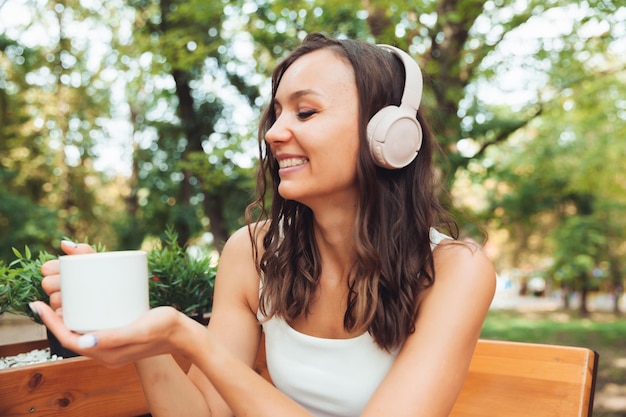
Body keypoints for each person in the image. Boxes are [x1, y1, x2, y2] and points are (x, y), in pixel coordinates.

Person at [31, 32, 496, 417]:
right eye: (276, 113)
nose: (274, 132)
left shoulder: (455, 271)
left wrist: (190, 339)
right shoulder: (252, 252)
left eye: (306, 112)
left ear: (390, 136)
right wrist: (133, 326)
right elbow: (202, 414)